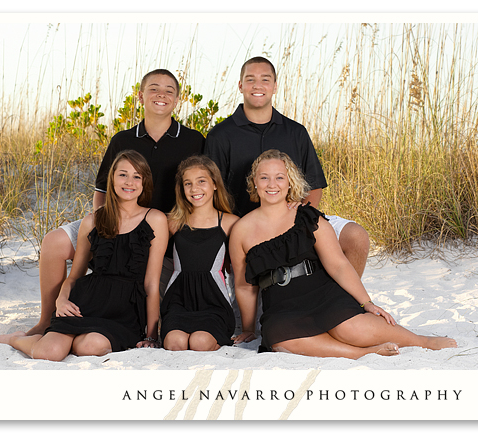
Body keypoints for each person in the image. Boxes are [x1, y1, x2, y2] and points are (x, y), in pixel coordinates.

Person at [229, 150, 457, 359]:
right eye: (264, 177)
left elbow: (338, 264)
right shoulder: (241, 230)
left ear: (289, 182)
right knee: (280, 339)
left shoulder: (307, 216)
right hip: (281, 303)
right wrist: (249, 329)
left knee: (351, 329)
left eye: (279, 177)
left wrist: (366, 302)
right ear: (254, 183)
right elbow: (244, 286)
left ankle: (422, 341)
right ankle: (363, 353)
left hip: (320, 290)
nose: (272, 184)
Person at [27, 69, 204, 336]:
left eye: (169, 90)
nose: (161, 95)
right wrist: (105, 231)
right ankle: (45, 320)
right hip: (113, 219)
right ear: (140, 96)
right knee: (53, 242)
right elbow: (101, 189)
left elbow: (201, 189)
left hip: (160, 231)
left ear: (178, 99)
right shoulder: (122, 139)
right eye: (153, 88)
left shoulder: (194, 140)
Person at [0, 150, 169, 361]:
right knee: (49, 352)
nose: (129, 182)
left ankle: (72, 341)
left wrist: (152, 335)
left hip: (124, 311)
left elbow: (152, 284)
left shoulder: (155, 219)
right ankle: (15, 339)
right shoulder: (93, 221)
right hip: (85, 303)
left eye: (137, 176)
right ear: (112, 179)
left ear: (144, 183)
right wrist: (61, 300)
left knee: (91, 345)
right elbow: (75, 276)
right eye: (123, 174)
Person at [205, 56, 370, 278]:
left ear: (274, 87)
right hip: (247, 230)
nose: (258, 85)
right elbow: (211, 193)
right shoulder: (220, 135)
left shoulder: (296, 132)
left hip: (294, 222)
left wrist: (299, 221)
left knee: (356, 236)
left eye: (265, 79)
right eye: (250, 79)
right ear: (240, 85)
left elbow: (314, 186)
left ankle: (346, 303)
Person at [160, 155, 239, 351]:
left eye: (201, 181)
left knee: (200, 342)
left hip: (214, 301)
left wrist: (248, 328)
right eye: (188, 183)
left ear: (214, 184)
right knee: (174, 342)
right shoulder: (173, 222)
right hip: (178, 300)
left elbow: (243, 274)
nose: (194, 189)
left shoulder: (231, 223)